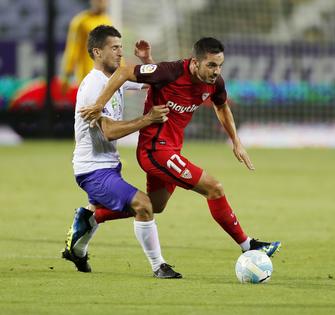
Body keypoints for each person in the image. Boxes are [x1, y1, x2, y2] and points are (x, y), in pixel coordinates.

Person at [80, 37, 281, 258]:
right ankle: (248, 245)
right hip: (155, 151)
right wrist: (99, 104)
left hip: (172, 150)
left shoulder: (215, 83)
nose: (216, 71)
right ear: (195, 62)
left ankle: (92, 217)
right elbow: (125, 72)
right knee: (214, 188)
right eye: (211, 65)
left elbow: (222, 106)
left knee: (155, 205)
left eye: (220, 65)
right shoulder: (170, 71)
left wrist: (236, 141)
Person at [62, 24, 181, 279]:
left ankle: (78, 248)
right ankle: (158, 265)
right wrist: (148, 119)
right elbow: (108, 132)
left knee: (101, 212)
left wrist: (146, 60)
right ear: (97, 52)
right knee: (144, 205)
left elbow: (153, 83)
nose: (119, 53)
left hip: (108, 164)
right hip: (92, 169)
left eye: (120, 47)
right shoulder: (94, 86)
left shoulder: (115, 79)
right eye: (114, 48)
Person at [61, 0, 112, 90]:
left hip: (106, 79)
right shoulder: (81, 22)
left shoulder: (107, 21)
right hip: (87, 77)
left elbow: (114, 50)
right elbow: (73, 49)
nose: (103, 2)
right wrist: (67, 75)